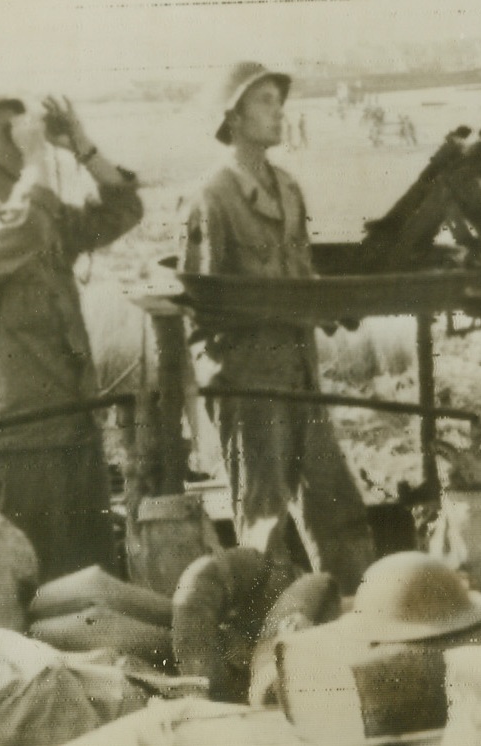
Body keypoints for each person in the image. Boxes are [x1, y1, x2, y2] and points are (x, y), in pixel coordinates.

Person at [182, 62, 375, 594]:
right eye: (265, 101)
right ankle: (268, 644)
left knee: (337, 509)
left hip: (299, 377)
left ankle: (362, 618)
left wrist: (326, 303)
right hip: (249, 385)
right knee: (263, 526)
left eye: (277, 100)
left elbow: (301, 275)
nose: (278, 111)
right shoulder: (212, 197)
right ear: (234, 116)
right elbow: (203, 305)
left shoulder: (288, 189)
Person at [0, 92, 143, 582]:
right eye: (5, 132)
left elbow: (123, 209)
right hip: (17, 449)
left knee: (89, 590)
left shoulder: (42, 217)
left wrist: (81, 145)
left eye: (22, 129)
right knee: (28, 595)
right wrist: (37, 159)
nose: (22, 138)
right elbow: (27, 225)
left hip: (74, 433)